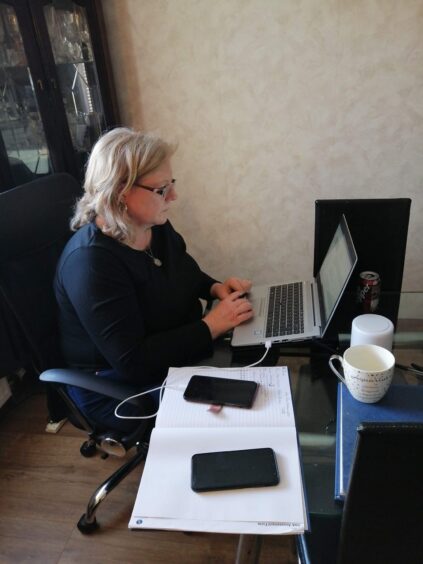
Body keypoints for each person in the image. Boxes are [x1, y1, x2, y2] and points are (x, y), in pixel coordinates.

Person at [54, 127, 253, 431]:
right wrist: (212, 325)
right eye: (161, 189)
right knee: (236, 420)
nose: (173, 196)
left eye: (170, 184)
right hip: (118, 389)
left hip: (172, 357)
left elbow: (184, 271)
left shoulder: (152, 224)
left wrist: (215, 287)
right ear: (120, 193)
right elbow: (133, 361)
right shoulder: (91, 264)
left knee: (256, 376)